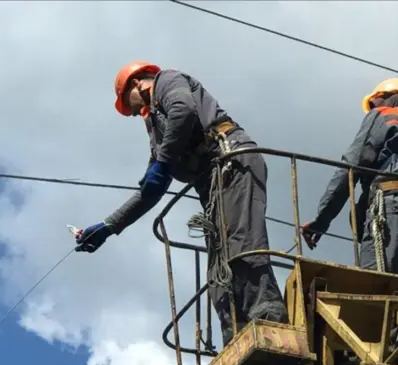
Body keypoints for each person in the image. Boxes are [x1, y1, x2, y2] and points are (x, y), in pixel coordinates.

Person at [74, 61, 288, 346]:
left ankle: (268, 318)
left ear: (137, 83)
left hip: (234, 163)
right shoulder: (157, 131)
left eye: (131, 105)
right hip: (213, 185)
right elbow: (150, 191)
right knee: (218, 271)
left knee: (241, 245)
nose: (136, 113)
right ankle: (235, 336)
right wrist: (108, 226)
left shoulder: (168, 81)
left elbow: (183, 110)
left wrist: (162, 164)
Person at [301, 77, 398, 281]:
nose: (372, 108)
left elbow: (351, 166)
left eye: (375, 101)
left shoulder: (384, 116)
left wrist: (321, 221)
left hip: (391, 213)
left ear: (394, 97)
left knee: (373, 290)